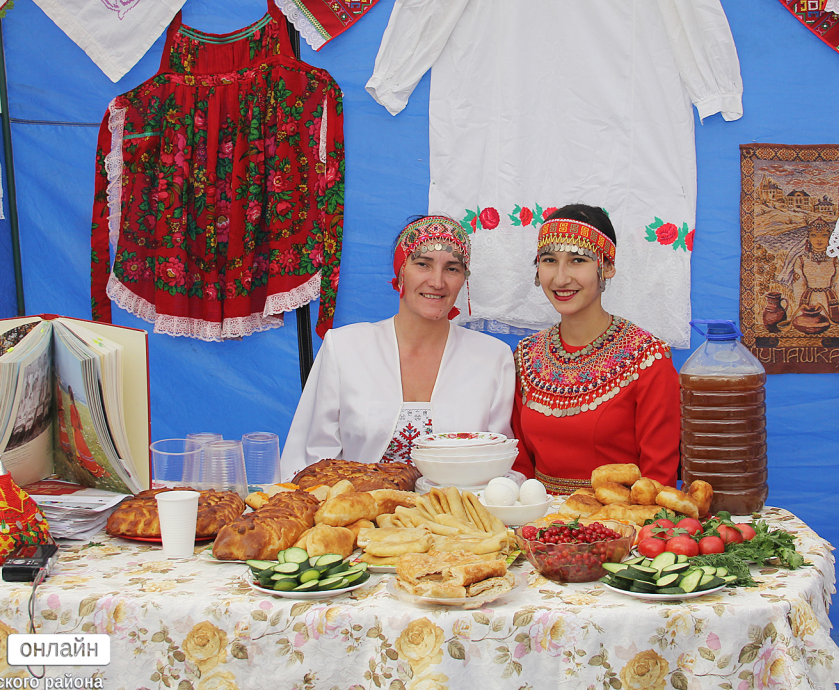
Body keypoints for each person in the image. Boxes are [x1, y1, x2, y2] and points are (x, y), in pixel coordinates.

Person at [281, 216, 515, 478]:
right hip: (356, 512)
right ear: (401, 271)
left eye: (452, 268)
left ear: (463, 279)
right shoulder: (345, 348)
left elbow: (499, 465)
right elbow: (313, 458)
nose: (437, 282)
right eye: (423, 264)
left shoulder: (493, 358)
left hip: (456, 513)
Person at [511, 205, 681, 494]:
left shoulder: (648, 358)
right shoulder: (526, 356)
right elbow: (520, 466)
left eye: (578, 260)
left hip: (619, 529)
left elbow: (658, 482)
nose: (561, 278)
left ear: (608, 267)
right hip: (539, 528)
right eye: (550, 260)